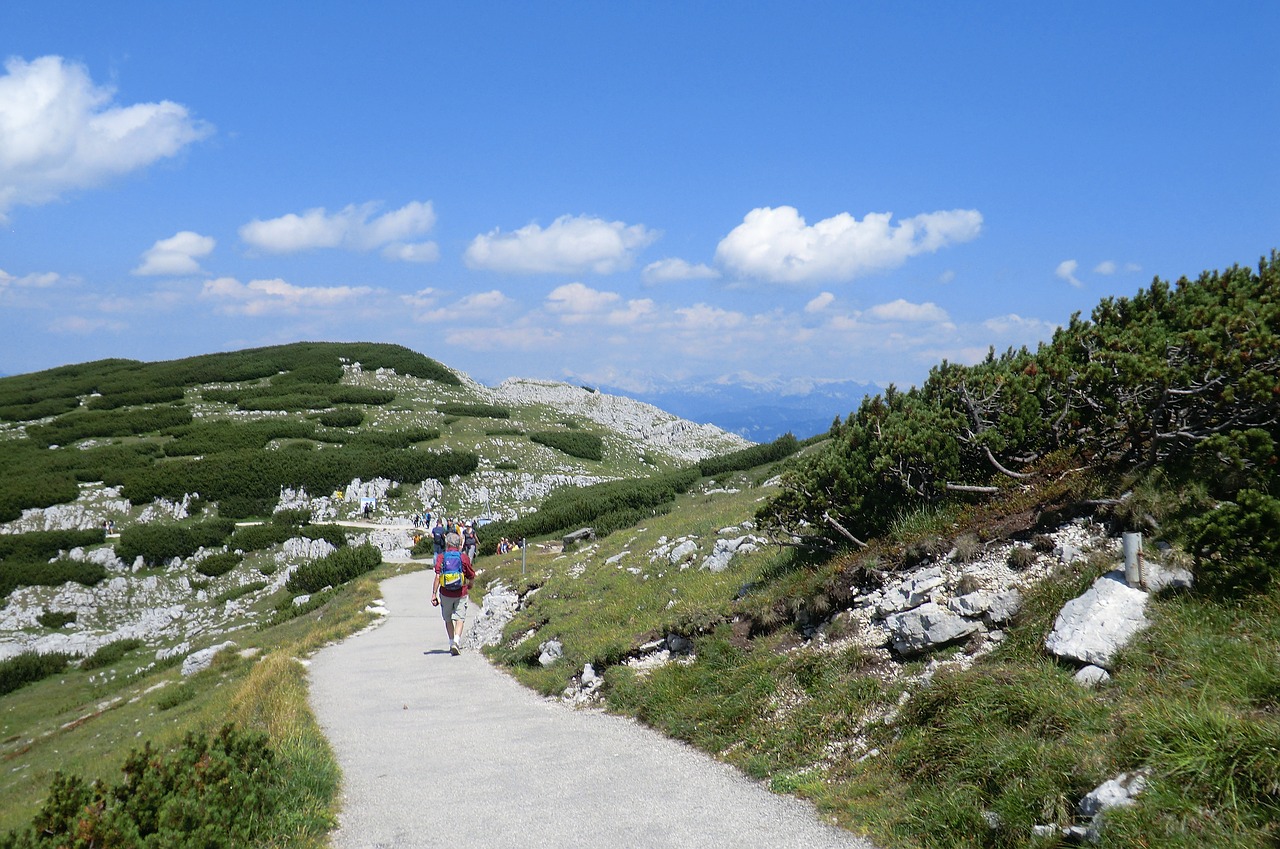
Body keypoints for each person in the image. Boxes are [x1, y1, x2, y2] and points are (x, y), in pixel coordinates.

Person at [431, 532, 475, 655]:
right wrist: (470, 584)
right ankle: (456, 641)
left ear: (447, 543)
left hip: (445, 594)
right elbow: (471, 574)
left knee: (448, 618)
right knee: (460, 618)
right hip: (461, 593)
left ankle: (451, 643)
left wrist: (434, 594)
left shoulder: (441, 557)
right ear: (459, 544)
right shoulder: (463, 557)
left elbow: (437, 576)